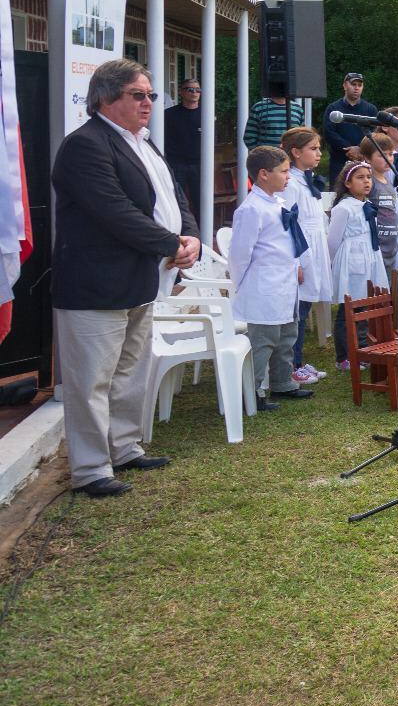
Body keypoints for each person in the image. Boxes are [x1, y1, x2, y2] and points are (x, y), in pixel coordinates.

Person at [53, 59, 200, 497]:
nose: (149, 103)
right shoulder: (86, 145)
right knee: (91, 381)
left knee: (131, 370)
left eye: (151, 95)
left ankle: (123, 446)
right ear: (105, 98)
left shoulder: (143, 143)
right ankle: (92, 469)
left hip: (141, 278)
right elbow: (114, 211)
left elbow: (175, 195)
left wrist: (189, 235)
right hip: (95, 284)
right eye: (138, 95)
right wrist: (170, 244)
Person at [231, 145, 314, 407]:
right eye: (283, 171)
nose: (288, 176)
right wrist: (241, 283)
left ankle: (282, 383)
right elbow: (240, 253)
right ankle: (251, 392)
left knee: (286, 337)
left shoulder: (278, 203)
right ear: (264, 174)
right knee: (263, 341)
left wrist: (296, 264)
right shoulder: (251, 208)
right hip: (263, 285)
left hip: (284, 283)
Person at [280, 128, 332, 385]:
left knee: (307, 303)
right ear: (296, 152)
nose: (319, 153)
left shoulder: (307, 179)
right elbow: (289, 224)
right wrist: (297, 261)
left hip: (315, 246)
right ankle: (291, 363)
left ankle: (298, 361)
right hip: (303, 248)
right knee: (298, 309)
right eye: (313, 148)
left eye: (319, 148)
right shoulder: (291, 184)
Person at [328, 161, 387, 370]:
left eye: (368, 177)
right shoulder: (344, 208)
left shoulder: (366, 204)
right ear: (348, 183)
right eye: (360, 178)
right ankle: (344, 356)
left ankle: (362, 349)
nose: (366, 181)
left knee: (363, 306)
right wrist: (333, 264)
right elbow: (333, 241)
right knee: (349, 309)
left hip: (368, 257)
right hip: (352, 260)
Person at [320, 73, 379, 182]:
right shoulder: (333, 108)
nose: (356, 88)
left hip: (364, 160)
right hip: (339, 161)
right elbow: (329, 133)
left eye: (359, 85)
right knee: (337, 194)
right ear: (345, 85)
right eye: (353, 84)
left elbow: (375, 134)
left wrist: (360, 149)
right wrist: (349, 148)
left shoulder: (370, 109)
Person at [358, 133, 398, 275]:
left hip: (391, 243)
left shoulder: (388, 182)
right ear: (367, 158)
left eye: (390, 154)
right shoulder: (369, 183)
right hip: (376, 246)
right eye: (382, 155)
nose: (388, 159)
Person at [162, 77, 204, 211]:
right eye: (190, 89)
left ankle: (201, 230)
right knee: (175, 200)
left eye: (198, 90)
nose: (194, 92)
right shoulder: (169, 114)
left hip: (199, 164)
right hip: (176, 163)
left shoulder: (206, 114)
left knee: (200, 200)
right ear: (181, 92)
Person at [243, 92, 308, 151]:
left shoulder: (298, 109)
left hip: (291, 159)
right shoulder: (259, 108)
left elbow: (301, 137)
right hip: (266, 161)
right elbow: (249, 137)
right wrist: (260, 155)